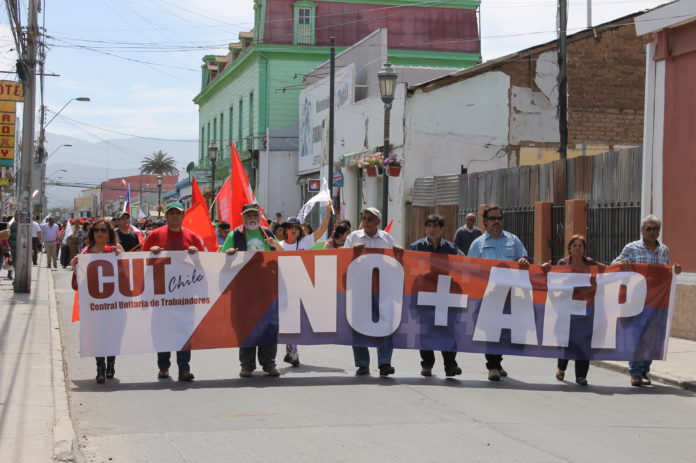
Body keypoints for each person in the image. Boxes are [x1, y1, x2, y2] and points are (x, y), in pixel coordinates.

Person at [612, 215, 681, 387]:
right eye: (648, 229)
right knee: (636, 336)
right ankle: (635, 372)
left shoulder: (664, 250)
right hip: (636, 300)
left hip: (657, 301)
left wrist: (675, 270)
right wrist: (622, 262)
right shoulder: (632, 248)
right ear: (642, 230)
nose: (652, 232)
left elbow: (666, 271)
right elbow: (614, 264)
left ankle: (644, 370)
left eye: (655, 229)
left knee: (652, 337)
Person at [142, 202, 205, 382]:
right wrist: (151, 253)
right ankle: (163, 366)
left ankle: (184, 368)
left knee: (184, 330)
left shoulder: (192, 237)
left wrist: (196, 255)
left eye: (178, 213)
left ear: (183, 215)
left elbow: (202, 265)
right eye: (171, 213)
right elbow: (141, 262)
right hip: (161, 292)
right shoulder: (154, 235)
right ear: (166, 216)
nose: (174, 216)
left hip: (185, 292)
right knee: (162, 330)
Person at [468, 205, 529, 381]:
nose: (496, 222)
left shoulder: (513, 240)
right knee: (490, 330)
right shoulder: (477, 244)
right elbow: (471, 269)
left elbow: (523, 258)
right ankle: (492, 366)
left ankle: (498, 360)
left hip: (510, 294)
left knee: (504, 331)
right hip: (488, 294)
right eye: (492, 218)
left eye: (499, 218)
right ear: (485, 222)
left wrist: (523, 260)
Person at [220, 202, 281, 377]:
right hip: (244, 289)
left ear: (260, 216)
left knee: (269, 325)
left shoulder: (267, 233)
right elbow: (223, 258)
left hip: (267, 288)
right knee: (246, 326)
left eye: (255, 214)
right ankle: (247, 365)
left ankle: (269, 364)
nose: (252, 218)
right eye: (248, 215)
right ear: (242, 217)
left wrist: (274, 245)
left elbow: (282, 254)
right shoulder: (235, 234)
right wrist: (229, 252)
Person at [344, 207, 403, 376]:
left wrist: (399, 253)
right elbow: (342, 261)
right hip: (359, 288)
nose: (365, 222)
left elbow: (395, 261)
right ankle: (363, 364)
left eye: (370, 219)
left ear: (377, 222)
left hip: (382, 288)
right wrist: (352, 252)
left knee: (385, 324)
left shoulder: (387, 238)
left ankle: (385, 363)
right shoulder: (353, 237)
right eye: (363, 218)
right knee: (358, 325)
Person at [276, 202, 333, 366]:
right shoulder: (279, 246)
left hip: (304, 286)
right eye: (290, 226)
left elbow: (322, 230)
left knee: (298, 321)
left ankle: (291, 350)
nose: (293, 229)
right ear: (285, 229)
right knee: (289, 320)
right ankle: (291, 350)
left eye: (296, 226)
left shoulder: (305, 242)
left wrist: (327, 213)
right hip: (284, 288)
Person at [408, 214, 464, 377]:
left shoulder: (451, 248)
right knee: (425, 330)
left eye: (435, 226)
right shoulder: (416, 247)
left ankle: (450, 364)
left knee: (449, 329)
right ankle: (427, 364)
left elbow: (464, 264)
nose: (432, 229)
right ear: (425, 228)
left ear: (442, 229)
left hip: (444, 295)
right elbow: (407, 269)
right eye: (429, 226)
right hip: (424, 295)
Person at [70, 219, 124, 383]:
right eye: (97, 230)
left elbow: (127, 276)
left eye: (103, 230)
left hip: (114, 303)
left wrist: (122, 257)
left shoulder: (115, 251)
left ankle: (111, 362)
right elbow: (76, 284)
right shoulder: (85, 253)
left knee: (112, 335)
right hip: (93, 304)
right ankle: (100, 367)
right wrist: (75, 268)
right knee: (98, 335)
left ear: (109, 233)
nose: (100, 233)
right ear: (92, 234)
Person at [546, 235, 604, 386]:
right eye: (574, 245)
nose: (577, 248)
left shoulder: (589, 263)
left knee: (584, 341)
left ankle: (581, 376)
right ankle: (561, 368)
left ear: (584, 249)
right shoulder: (563, 263)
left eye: (580, 246)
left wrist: (620, 266)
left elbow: (605, 270)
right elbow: (554, 279)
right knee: (566, 340)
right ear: (569, 249)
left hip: (585, 308)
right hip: (566, 307)